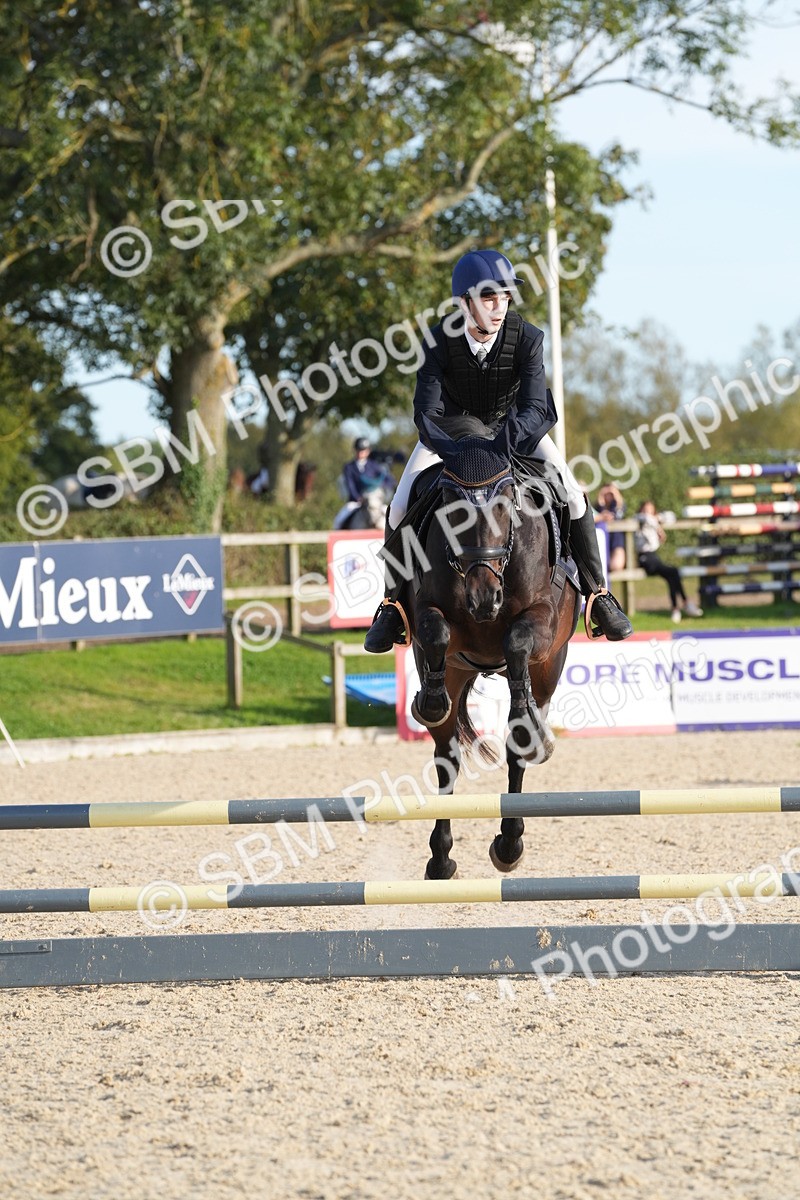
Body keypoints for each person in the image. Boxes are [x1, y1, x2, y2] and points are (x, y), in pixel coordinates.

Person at [364, 248, 633, 652]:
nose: (498, 306)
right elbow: (427, 414)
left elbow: (535, 407)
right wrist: (456, 452)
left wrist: (500, 445)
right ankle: (390, 606)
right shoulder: (438, 342)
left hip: (514, 434)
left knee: (574, 495)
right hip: (451, 439)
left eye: (505, 297)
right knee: (400, 505)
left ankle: (598, 595)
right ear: (463, 303)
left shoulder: (528, 338)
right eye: (489, 298)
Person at [635, 501, 703, 622]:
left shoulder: (654, 521)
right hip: (645, 558)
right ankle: (684, 604)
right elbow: (644, 518)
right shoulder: (640, 520)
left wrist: (659, 520)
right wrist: (658, 524)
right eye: (645, 509)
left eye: (650, 510)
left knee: (673, 574)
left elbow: (671, 516)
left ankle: (677, 608)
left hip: (654, 557)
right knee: (672, 572)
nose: (647, 512)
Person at [333, 437, 396, 530]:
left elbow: (388, 480)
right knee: (339, 520)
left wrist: (382, 490)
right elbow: (350, 485)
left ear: (368, 451)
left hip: (374, 501)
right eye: (358, 450)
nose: (360, 453)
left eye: (363, 450)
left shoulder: (374, 465)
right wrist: (357, 497)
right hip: (356, 502)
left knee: (392, 517)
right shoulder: (349, 467)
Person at [594, 482, 626, 573]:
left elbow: (619, 510)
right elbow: (597, 512)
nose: (608, 496)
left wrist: (615, 492)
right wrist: (601, 496)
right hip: (602, 542)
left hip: (616, 542)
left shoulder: (618, 506)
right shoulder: (598, 507)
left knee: (615, 565)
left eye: (611, 494)